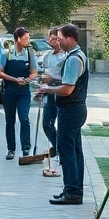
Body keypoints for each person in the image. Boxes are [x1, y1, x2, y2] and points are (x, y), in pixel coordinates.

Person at [39, 25, 89, 205]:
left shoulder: (75, 58)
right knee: (75, 151)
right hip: (74, 109)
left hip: (71, 109)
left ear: (69, 38)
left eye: (60, 38)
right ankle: (74, 189)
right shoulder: (77, 55)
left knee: (67, 151)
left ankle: (72, 192)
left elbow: (68, 89)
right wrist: (51, 85)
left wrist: (48, 88)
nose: (58, 41)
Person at [0, 28, 38, 160]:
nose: (28, 41)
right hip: (9, 91)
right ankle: (11, 149)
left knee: (24, 118)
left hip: (24, 92)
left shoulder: (30, 53)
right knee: (10, 121)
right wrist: (15, 79)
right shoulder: (6, 52)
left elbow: (34, 71)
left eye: (28, 38)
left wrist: (28, 79)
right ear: (18, 39)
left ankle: (26, 148)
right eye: (26, 38)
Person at [39, 28, 67, 164]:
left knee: (61, 124)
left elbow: (67, 79)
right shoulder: (47, 56)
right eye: (50, 38)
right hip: (48, 93)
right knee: (46, 123)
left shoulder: (65, 56)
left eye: (55, 38)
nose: (52, 41)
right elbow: (43, 74)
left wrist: (52, 80)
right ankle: (55, 145)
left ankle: (61, 151)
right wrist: (42, 82)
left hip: (61, 93)